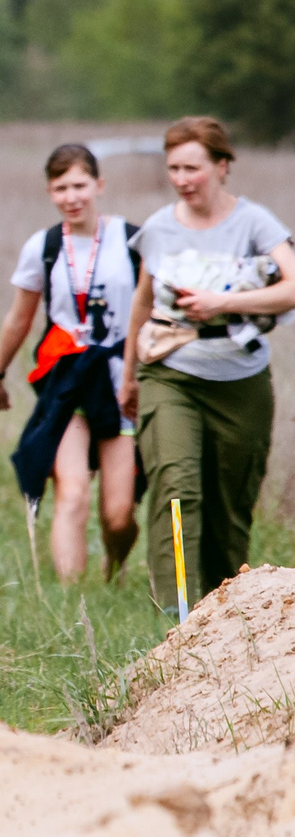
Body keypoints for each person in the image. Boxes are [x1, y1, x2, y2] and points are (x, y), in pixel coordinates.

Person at [121, 116, 295, 611]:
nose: (182, 178)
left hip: (240, 379)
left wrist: (219, 304)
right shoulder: (158, 228)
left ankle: (222, 622)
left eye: (192, 167)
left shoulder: (255, 223)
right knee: (176, 492)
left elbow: (292, 286)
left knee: (229, 507)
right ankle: (177, 623)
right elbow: (141, 300)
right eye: (173, 168)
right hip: (169, 372)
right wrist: (128, 374)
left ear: (222, 167)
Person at [0, 144, 140, 583]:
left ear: (99, 186)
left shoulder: (134, 240)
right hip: (66, 382)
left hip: (119, 383)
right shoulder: (45, 246)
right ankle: (74, 605)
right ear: (50, 192)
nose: (72, 197)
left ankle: (116, 565)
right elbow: (20, 317)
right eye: (60, 188)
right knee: (72, 495)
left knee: (119, 514)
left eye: (79, 185)